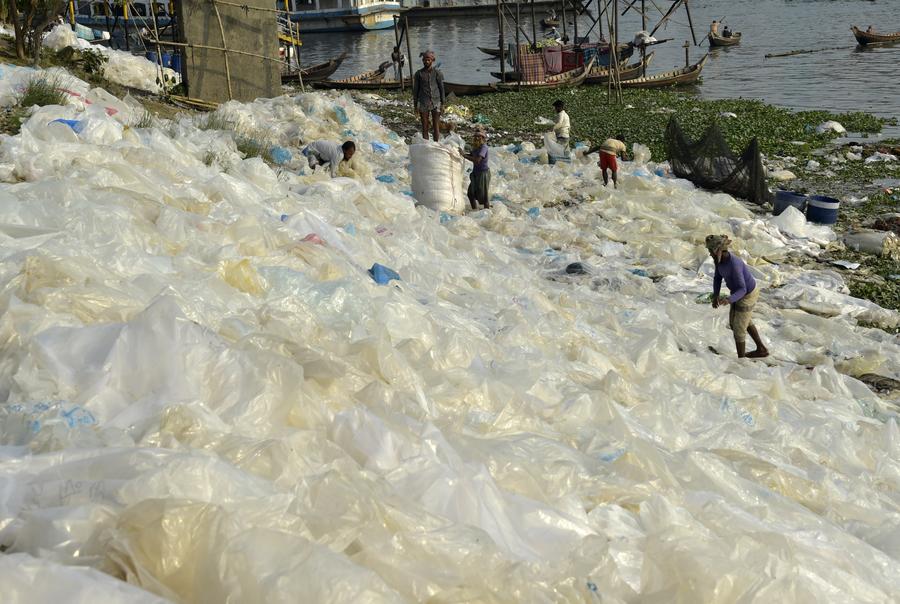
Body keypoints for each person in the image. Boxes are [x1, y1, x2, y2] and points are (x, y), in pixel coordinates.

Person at [706, 234, 769, 359]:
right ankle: (761, 349)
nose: (710, 254)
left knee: (739, 328)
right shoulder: (719, 261)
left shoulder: (734, 264)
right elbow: (717, 278)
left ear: (718, 251)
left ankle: (741, 361)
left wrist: (729, 300)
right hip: (737, 292)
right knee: (739, 321)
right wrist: (715, 296)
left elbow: (743, 289)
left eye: (711, 251)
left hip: (747, 294)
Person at [413, 50, 445, 142]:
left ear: (432, 60)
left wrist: (443, 104)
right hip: (423, 102)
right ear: (422, 61)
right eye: (425, 60)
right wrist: (415, 105)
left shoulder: (438, 73)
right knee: (425, 126)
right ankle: (426, 145)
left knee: (436, 126)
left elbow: (441, 89)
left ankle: (436, 144)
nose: (426, 61)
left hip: (436, 101)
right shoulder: (419, 74)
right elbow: (415, 90)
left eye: (428, 60)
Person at [301, 140, 366, 179]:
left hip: (313, 147)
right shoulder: (339, 155)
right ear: (344, 150)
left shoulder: (339, 147)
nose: (350, 157)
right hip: (309, 151)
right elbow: (332, 173)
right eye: (349, 154)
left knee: (325, 164)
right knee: (314, 168)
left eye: (352, 154)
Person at [462, 130, 491, 210]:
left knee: (484, 196)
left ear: (483, 138)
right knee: (470, 194)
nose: (477, 138)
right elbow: (471, 155)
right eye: (475, 136)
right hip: (475, 173)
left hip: (483, 174)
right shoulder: (476, 147)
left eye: (479, 137)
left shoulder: (484, 147)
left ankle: (487, 212)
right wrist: (462, 154)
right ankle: (474, 210)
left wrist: (464, 155)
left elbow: (478, 160)